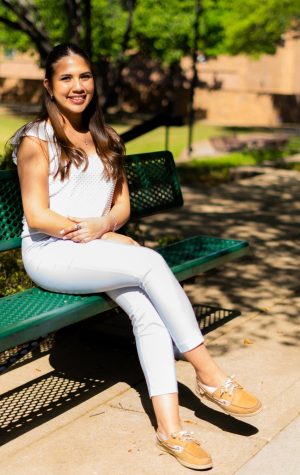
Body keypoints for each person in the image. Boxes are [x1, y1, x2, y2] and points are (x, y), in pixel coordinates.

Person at [12, 43, 261, 471]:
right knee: (148, 261)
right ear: (49, 86)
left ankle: (171, 431)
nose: (78, 86)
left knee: (146, 310)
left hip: (95, 248)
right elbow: (37, 215)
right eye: (67, 78)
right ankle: (208, 373)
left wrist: (106, 229)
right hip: (52, 252)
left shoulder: (107, 137)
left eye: (85, 76)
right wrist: (92, 234)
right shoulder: (37, 140)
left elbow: (122, 206)